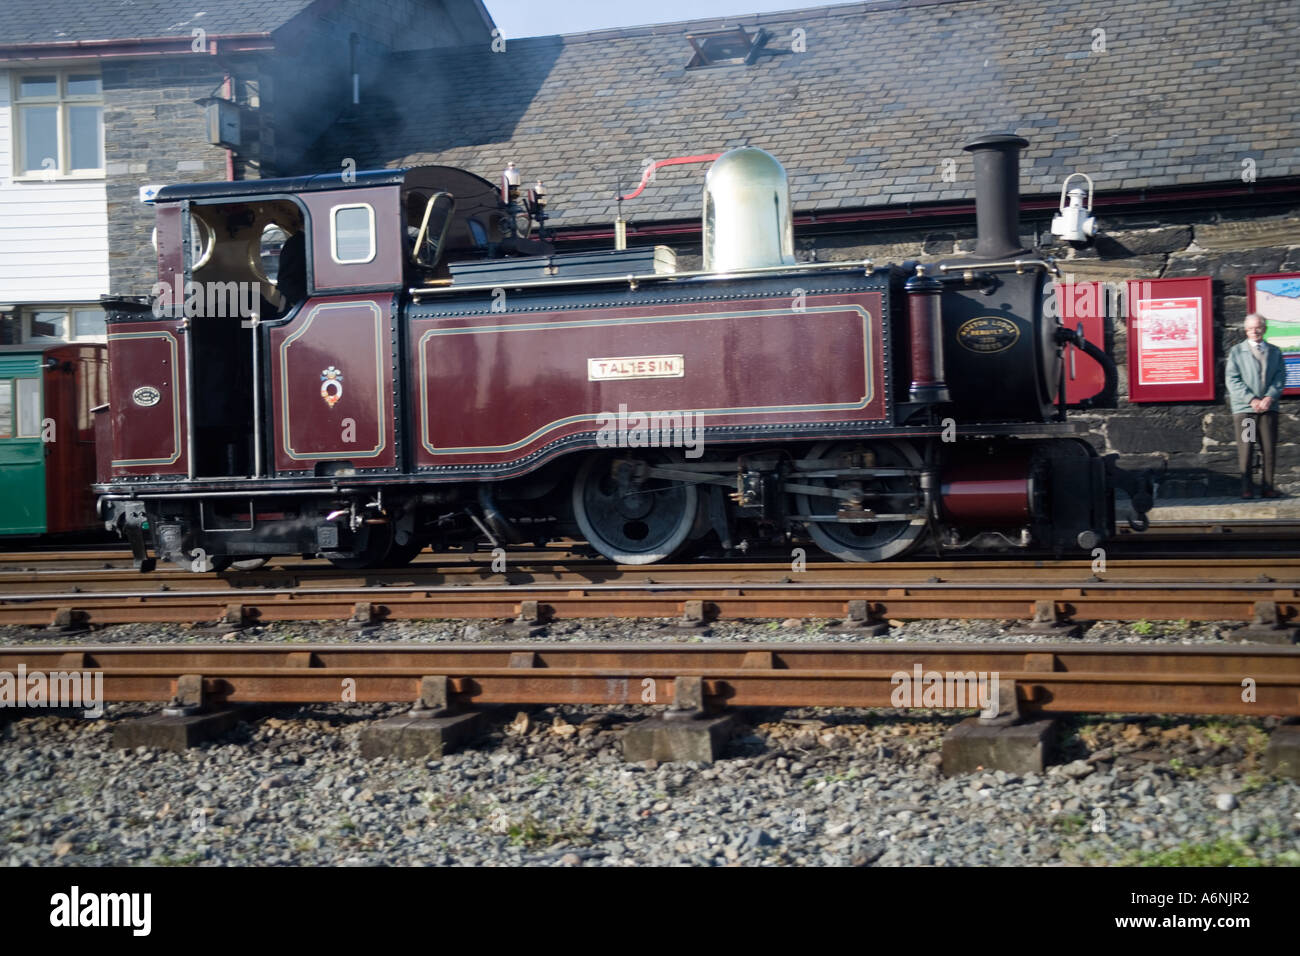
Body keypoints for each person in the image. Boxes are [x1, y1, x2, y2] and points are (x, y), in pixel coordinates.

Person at [1225, 313, 1287, 498]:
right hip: (1246, 412)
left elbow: (1280, 377)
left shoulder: (1275, 352)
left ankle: (1268, 487)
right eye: (1251, 328)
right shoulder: (1236, 352)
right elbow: (1232, 379)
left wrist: (1269, 397)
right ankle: (1247, 488)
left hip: (1268, 410)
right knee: (1247, 447)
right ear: (1246, 330)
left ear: (1265, 329)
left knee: (1268, 448)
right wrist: (1252, 400)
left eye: (1258, 327)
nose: (1255, 331)